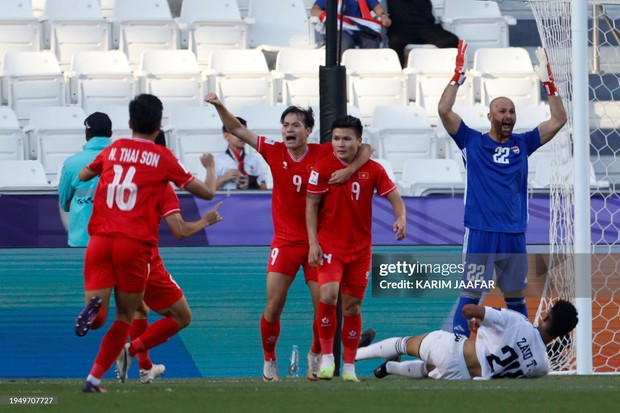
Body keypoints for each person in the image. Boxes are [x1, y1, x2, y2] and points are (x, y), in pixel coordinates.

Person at [205, 93, 373, 382]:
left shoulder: (324, 152)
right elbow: (237, 129)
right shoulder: (273, 150)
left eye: (296, 125)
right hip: (285, 242)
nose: (289, 130)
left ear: (308, 131)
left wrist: (349, 170)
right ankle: (270, 361)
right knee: (273, 306)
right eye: (285, 124)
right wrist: (220, 106)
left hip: (317, 243)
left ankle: (315, 355)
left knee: (324, 303)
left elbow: (366, 148)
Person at [76, 94, 217, 393]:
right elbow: (205, 193)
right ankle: (95, 378)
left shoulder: (114, 149)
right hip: (134, 245)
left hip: (100, 240)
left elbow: (83, 174)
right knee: (126, 316)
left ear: (129, 123)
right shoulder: (163, 160)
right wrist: (211, 170)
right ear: (159, 126)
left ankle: (94, 315)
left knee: (101, 315)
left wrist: (103, 169)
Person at [437, 41, 568, 338]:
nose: (508, 115)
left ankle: (523, 347)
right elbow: (444, 109)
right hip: (481, 231)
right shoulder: (471, 141)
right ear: (490, 116)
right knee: (470, 295)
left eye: (511, 111)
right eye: (502, 111)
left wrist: (548, 83)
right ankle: (457, 348)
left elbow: (559, 119)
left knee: (515, 299)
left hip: (513, 233)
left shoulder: (524, 143)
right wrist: (457, 76)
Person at [306, 115, 407, 382]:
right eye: (336, 138)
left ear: (358, 141)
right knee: (328, 296)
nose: (340, 144)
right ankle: (327, 358)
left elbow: (395, 197)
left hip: (360, 250)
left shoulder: (373, 169)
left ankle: (349, 366)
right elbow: (311, 206)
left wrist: (401, 217)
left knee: (352, 307)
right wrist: (313, 242)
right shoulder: (322, 168)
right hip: (330, 247)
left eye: (346, 139)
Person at [116, 133, 223, 384]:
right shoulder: (161, 183)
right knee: (182, 316)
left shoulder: (121, 176)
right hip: (143, 257)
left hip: (113, 253)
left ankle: (144, 369)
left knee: (140, 308)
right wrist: (205, 221)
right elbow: (180, 231)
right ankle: (129, 351)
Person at [356, 300, 578, 380]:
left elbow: (468, 309)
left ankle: (354, 355)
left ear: (546, 316)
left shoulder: (518, 322)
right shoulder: (542, 367)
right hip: (462, 376)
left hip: (453, 351)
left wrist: (474, 318)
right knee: (428, 369)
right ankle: (390, 368)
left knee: (404, 343)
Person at [57, 112, 112, 247]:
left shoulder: (71, 163)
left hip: (82, 243)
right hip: (116, 243)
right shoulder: (124, 161)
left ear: (87, 133)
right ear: (110, 134)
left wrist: (85, 198)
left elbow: (64, 203)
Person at [385, 0, 459, 66]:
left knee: (452, 40)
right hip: (401, 28)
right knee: (395, 42)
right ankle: (399, 74)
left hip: (425, 27)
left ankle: (445, 72)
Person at [311, 0, 391, 53]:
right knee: (346, 43)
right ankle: (344, 69)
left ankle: (368, 70)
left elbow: (377, 8)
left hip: (360, 29)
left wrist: (384, 16)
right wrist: (327, 15)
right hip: (339, 29)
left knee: (372, 42)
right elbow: (315, 9)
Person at [214, 117, 267, 190]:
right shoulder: (217, 161)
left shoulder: (254, 160)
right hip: (227, 201)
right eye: (235, 133)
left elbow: (264, 188)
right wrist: (223, 178)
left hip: (250, 200)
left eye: (244, 132)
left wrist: (252, 181)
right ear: (226, 136)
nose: (241, 136)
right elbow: (206, 190)